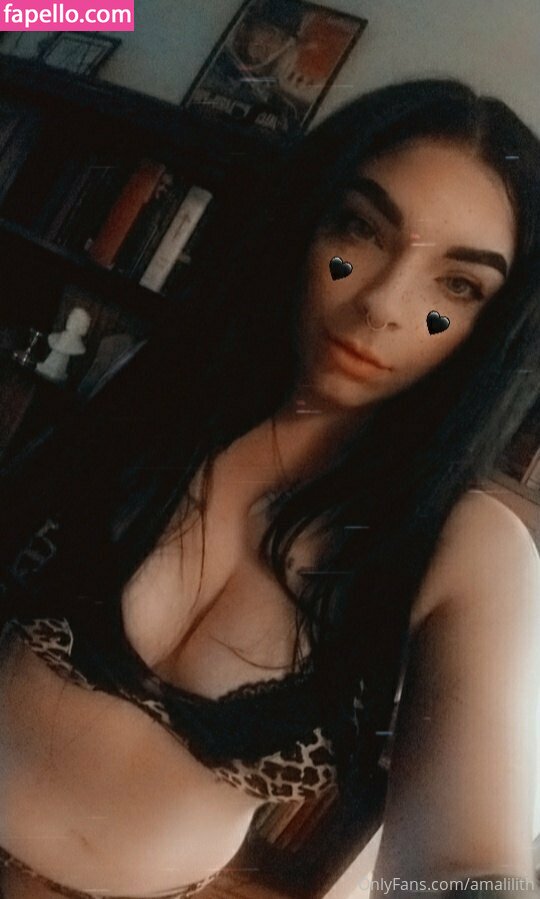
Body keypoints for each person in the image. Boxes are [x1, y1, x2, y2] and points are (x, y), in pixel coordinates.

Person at [0, 76, 539, 899]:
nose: (384, 304)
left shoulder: (467, 545)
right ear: (307, 222)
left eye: (457, 286)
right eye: (359, 230)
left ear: (489, 330)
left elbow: (464, 862)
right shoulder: (158, 392)